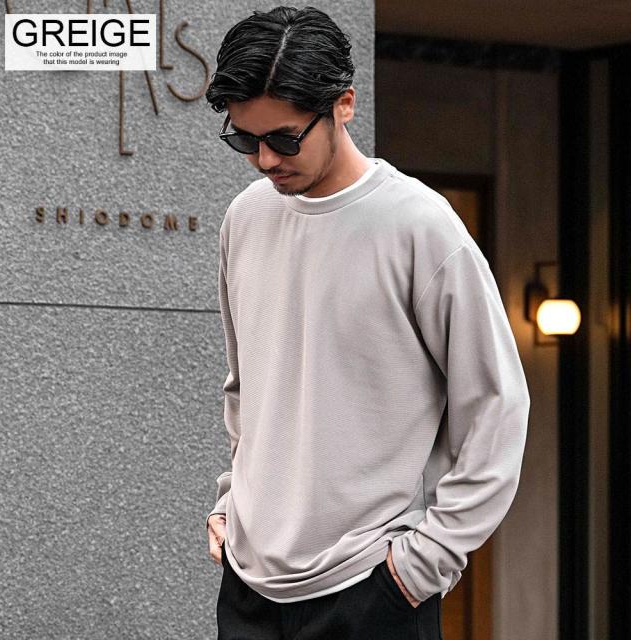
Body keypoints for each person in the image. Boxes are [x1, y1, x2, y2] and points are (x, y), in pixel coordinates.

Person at [204, 6, 530, 639]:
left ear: (344, 104)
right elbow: (248, 388)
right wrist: (231, 501)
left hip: (372, 590)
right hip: (249, 587)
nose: (265, 159)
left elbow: (497, 406)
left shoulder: (419, 227)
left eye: (285, 139)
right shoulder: (246, 219)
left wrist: (424, 563)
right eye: (245, 140)